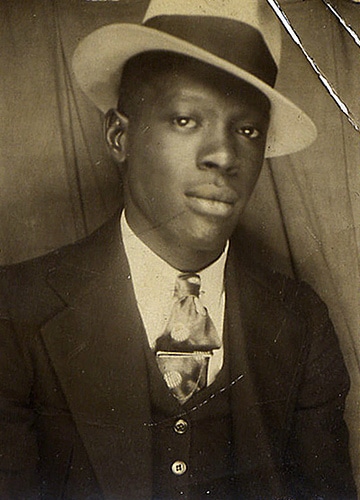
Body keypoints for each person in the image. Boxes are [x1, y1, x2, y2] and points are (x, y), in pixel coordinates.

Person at [0, 0, 356, 498]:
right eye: (186, 120)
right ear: (119, 136)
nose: (225, 156)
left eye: (247, 129)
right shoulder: (14, 312)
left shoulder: (301, 322)